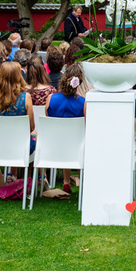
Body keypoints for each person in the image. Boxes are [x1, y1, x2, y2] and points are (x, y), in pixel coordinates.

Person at [46, 64, 87, 193]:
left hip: (53, 144)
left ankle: (66, 181)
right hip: (75, 145)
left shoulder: (51, 98)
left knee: (64, 138)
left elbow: (49, 120)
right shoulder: (83, 102)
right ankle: (75, 181)